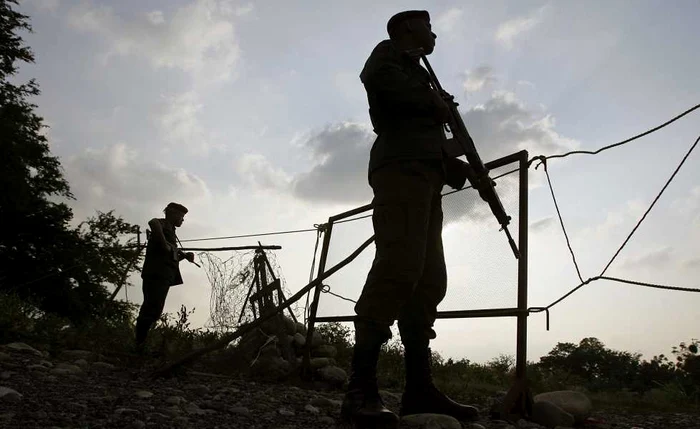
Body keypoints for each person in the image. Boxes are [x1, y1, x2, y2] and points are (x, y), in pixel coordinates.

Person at [341, 10, 481, 427]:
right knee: (399, 268)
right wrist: (437, 104)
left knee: (428, 280)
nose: (433, 33)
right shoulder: (389, 56)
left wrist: (461, 169)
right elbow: (379, 83)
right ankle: (359, 390)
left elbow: (432, 143)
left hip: (425, 177)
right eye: (427, 26)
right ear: (407, 29)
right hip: (399, 170)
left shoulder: (420, 74)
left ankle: (420, 389)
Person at [134, 202, 195, 353]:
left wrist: (184, 256)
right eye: (181, 216)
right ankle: (138, 345)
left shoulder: (171, 232)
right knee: (150, 308)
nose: (182, 220)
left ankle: (141, 343)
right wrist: (164, 244)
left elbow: (168, 256)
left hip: (164, 275)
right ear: (173, 214)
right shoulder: (162, 224)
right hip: (156, 273)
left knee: (155, 309)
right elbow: (153, 222)